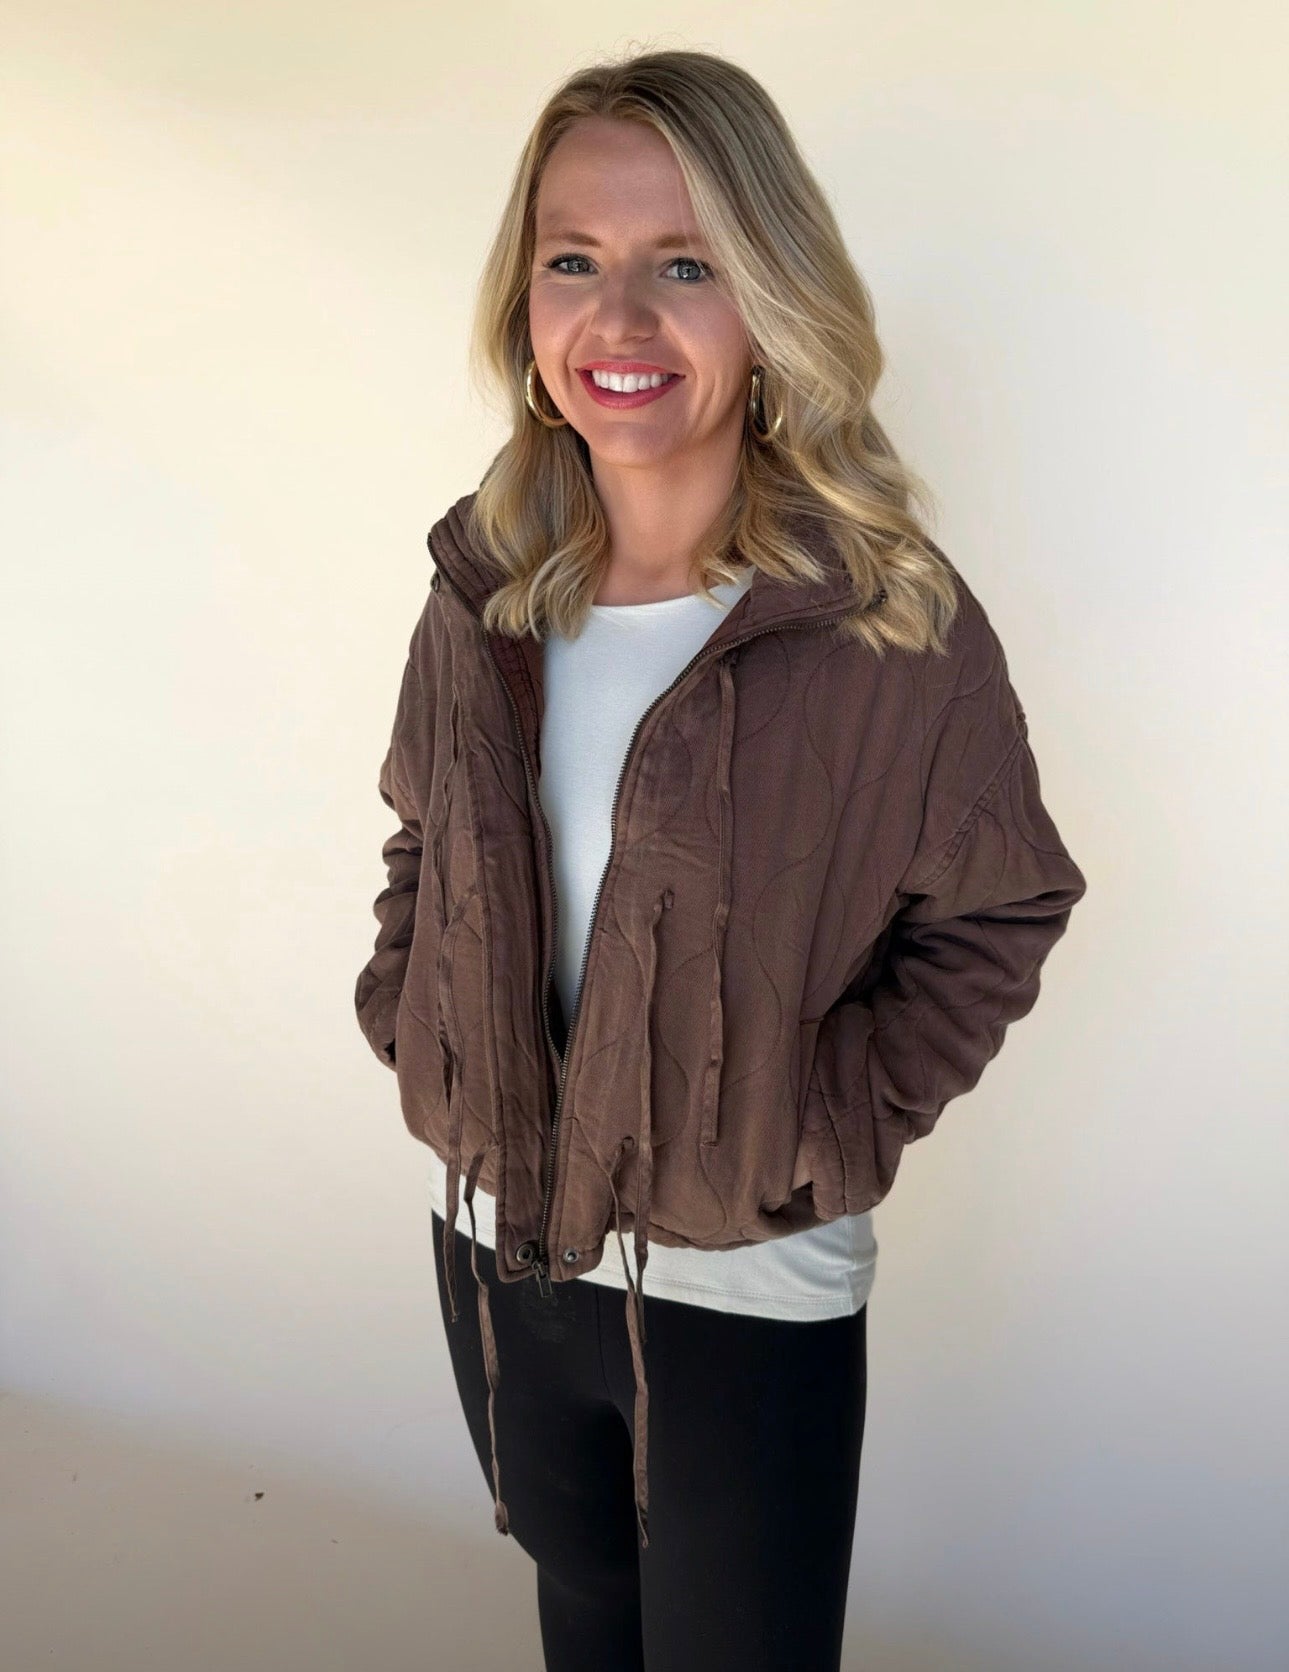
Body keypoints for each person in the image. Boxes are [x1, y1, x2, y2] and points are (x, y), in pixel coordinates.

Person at [354, 46, 1088, 1672]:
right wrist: (420, 1023)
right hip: (491, 1248)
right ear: (523, 306)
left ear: (767, 298)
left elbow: (1002, 903)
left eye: (682, 263)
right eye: (574, 261)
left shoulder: (882, 619)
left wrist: (822, 1118)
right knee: (581, 1643)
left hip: (741, 1288)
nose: (619, 321)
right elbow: (421, 831)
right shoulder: (483, 595)